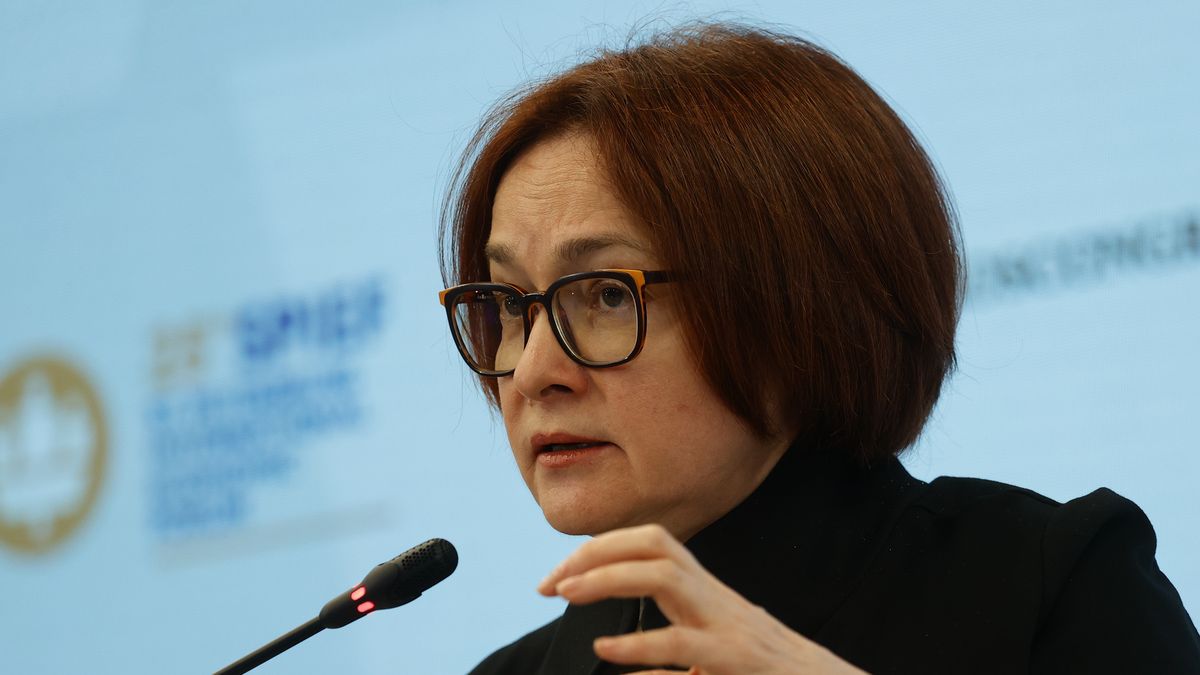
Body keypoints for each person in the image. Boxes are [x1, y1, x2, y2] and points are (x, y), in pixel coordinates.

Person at [436, 23, 1200, 674]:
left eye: (604, 294)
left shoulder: (1046, 585)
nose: (533, 371)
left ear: (798, 308)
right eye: (507, 304)